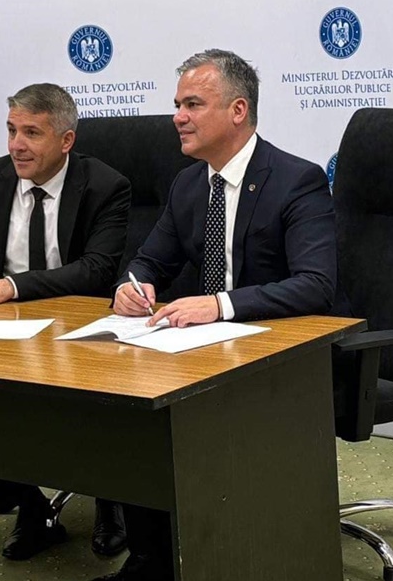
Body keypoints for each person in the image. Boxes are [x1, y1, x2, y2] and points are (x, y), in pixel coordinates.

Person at [101, 49, 337, 581]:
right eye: (177, 105)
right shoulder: (189, 184)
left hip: (278, 354)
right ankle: (150, 561)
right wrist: (130, 287)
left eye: (192, 104)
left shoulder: (295, 179)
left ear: (237, 110)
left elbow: (316, 285)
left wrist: (219, 305)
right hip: (201, 350)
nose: (177, 117)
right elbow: (148, 260)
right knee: (129, 408)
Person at [0, 83, 132, 562]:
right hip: (2, 334)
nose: (16, 144)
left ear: (66, 141)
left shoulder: (105, 186)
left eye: (32, 133)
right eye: (12, 130)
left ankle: (112, 499)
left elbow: (96, 270)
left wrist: (10, 286)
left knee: (103, 406)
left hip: (78, 334)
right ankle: (31, 508)